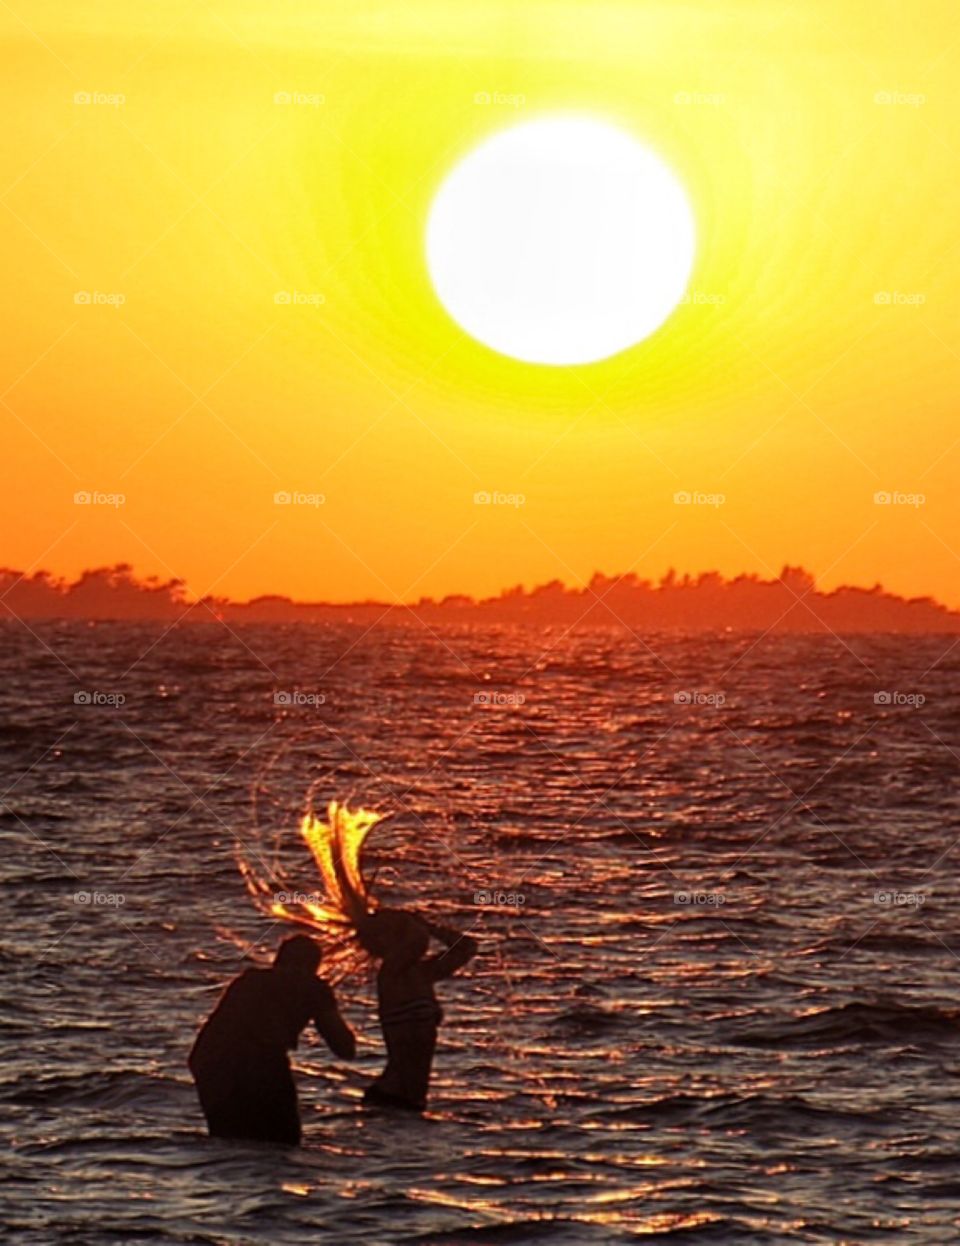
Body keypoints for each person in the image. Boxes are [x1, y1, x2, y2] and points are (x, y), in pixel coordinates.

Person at [188, 934, 355, 1145]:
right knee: (281, 1142)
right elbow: (345, 1048)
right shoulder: (312, 989)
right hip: (253, 1065)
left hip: (212, 1064)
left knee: (230, 1139)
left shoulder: (248, 981)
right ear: (313, 967)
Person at [357, 908, 478, 1112]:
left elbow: (467, 947)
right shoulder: (390, 975)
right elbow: (416, 941)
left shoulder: (423, 974)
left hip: (411, 1101)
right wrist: (413, 923)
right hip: (389, 1099)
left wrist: (430, 927)